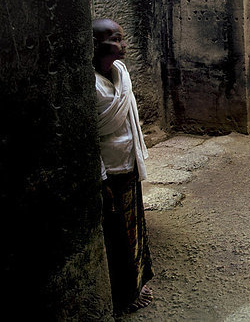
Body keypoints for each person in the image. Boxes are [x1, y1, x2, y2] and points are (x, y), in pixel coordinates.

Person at [92, 18, 154, 315]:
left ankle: (137, 283)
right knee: (115, 234)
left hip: (128, 162)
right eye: (116, 38)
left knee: (134, 227)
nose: (123, 44)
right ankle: (122, 295)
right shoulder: (90, 85)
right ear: (96, 44)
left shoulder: (120, 72)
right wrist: (101, 177)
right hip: (109, 169)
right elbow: (89, 135)